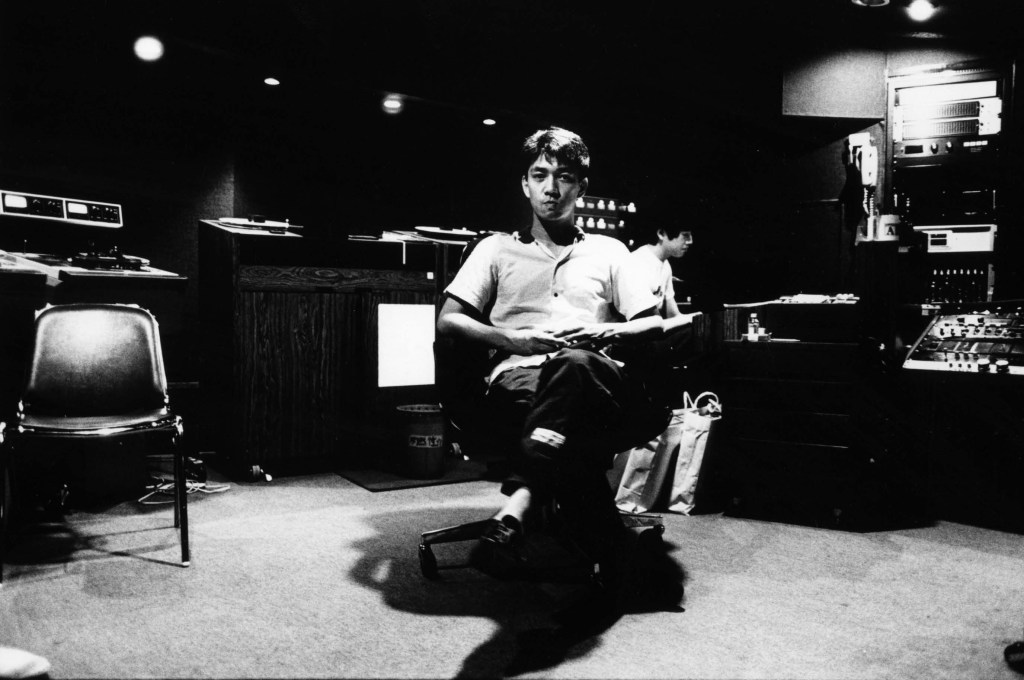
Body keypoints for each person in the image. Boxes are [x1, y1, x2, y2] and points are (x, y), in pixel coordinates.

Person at [436, 127, 669, 591]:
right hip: (520, 375)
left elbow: (653, 325)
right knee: (573, 426)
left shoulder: (609, 251)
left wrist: (603, 330)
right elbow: (450, 320)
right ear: (525, 184)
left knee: (576, 364)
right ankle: (616, 555)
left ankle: (520, 502)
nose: (551, 188)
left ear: (581, 186)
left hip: (595, 373)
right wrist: (512, 339)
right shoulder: (496, 249)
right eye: (540, 175)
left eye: (564, 177)